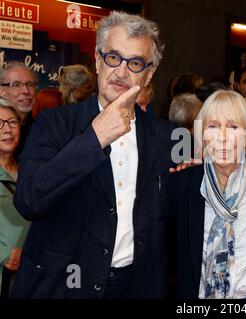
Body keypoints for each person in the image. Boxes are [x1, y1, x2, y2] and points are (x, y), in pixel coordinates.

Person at [11, 11, 174, 299]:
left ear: (149, 74)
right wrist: (94, 139)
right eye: (113, 57)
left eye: (136, 63)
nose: (122, 72)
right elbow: (29, 200)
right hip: (65, 285)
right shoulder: (53, 124)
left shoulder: (165, 137)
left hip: (134, 286)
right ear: (97, 61)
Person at [169, 90, 246, 299]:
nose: (222, 138)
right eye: (212, 127)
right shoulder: (182, 186)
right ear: (201, 135)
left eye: (233, 127)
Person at [0, 102, 30, 298]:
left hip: (28, 277)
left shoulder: (31, 170)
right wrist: (3, 256)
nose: (7, 129)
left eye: (12, 122)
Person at [0, 61, 38, 153]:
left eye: (30, 84)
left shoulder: (41, 128)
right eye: (16, 85)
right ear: (2, 91)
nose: (25, 91)